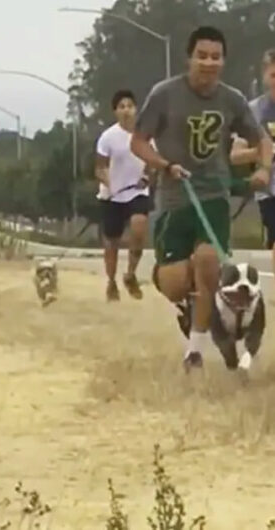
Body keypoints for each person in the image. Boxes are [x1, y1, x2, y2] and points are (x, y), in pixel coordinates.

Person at [131, 26, 273, 371]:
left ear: (223, 61)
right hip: (174, 199)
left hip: (214, 198)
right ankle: (188, 298)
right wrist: (163, 164)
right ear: (189, 58)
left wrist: (264, 169)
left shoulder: (233, 100)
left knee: (209, 262)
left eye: (216, 57)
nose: (209, 63)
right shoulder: (164, 94)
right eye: (202, 56)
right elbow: (138, 141)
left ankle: (194, 352)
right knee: (178, 283)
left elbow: (261, 139)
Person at [95, 89, 152, 302]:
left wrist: (147, 177)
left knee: (139, 226)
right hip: (112, 196)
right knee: (111, 242)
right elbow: (99, 168)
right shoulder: (108, 137)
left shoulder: (145, 134)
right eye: (121, 107)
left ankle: (131, 273)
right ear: (115, 112)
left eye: (130, 106)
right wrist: (109, 185)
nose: (126, 110)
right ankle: (111, 282)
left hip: (137, 192)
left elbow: (151, 161)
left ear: (136, 109)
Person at [231, 49, 275, 276]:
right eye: (274, 75)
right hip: (269, 190)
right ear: (265, 76)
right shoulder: (253, 110)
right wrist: (263, 153)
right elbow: (235, 155)